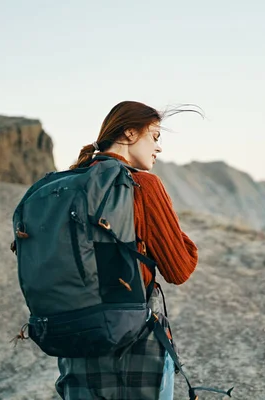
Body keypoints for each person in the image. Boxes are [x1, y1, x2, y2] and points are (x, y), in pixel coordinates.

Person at [55, 100, 199, 400]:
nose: (158, 148)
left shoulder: (64, 185)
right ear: (130, 134)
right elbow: (180, 269)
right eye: (155, 137)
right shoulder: (142, 185)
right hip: (133, 339)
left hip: (74, 339)